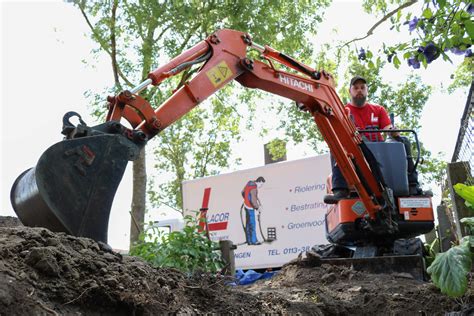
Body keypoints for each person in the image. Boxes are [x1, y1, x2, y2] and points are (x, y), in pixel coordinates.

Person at [328, 75, 396, 200]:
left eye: (362, 87)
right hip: (355, 151)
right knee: (335, 146)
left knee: (403, 142)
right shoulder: (343, 111)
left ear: (367, 90)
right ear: (350, 91)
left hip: (377, 151)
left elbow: (388, 129)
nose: (359, 90)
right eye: (356, 88)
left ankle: (412, 183)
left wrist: (393, 132)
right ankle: (340, 189)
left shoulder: (378, 110)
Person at [241, 176, 265, 245]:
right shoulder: (254, 188)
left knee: (248, 224)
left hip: (246, 206)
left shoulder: (249, 183)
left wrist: (246, 199)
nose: (261, 186)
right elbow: (253, 200)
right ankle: (254, 241)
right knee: (252, 224)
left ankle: (249, 241)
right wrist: (258, 208)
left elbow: (242, 192)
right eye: (261, 184)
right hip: (250, 208)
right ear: (259, 182)